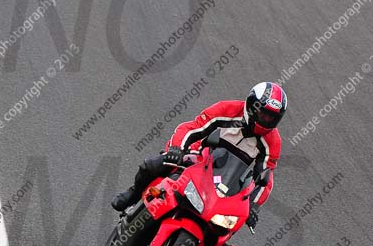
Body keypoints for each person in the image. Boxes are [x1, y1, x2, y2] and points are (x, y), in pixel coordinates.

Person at [111, 82, 288, 231]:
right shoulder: (227, 109)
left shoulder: (273, 142)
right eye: (263, 113)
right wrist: (178, 149)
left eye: (271, 117)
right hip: (197, 156)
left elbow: (266, 176)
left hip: (226, 181)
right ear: (251, 105)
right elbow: (192, 128)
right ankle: (133, 195)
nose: (265, 120)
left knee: (230, 220)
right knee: (152, 165)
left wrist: (253, 206)